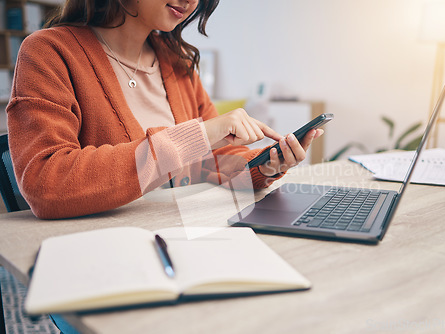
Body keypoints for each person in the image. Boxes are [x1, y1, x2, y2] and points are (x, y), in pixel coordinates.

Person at [7, 0, 323, 220]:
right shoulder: (49, 52)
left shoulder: (178, 61)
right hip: (104, 252)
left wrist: (263, 165)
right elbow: (45, 183)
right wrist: (197, 135)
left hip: (184, 234)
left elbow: (213, 163)